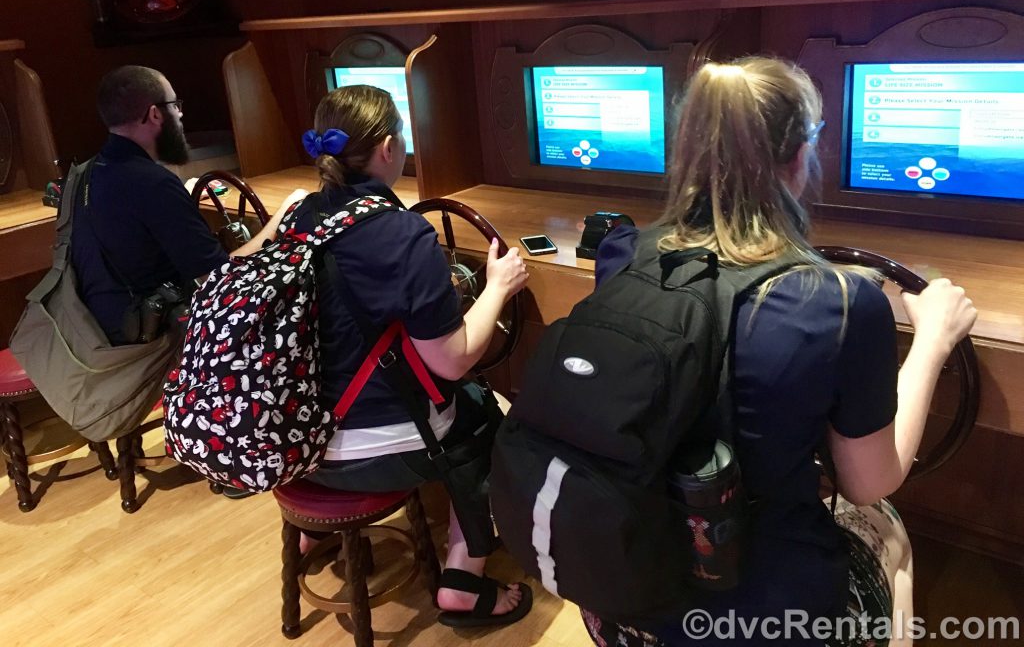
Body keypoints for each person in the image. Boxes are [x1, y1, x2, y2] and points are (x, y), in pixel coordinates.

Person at [582, 57, 976, 647]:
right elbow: (871, 481)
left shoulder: (620, 253)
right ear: (799, 156)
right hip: (761, 617)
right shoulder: (842, 302)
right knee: (887, 528)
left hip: (619, 593)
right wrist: (932, 342)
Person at [288, 84, 533, 627]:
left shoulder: (300, 214)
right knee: (491, 415)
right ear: (387, 149)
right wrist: (496, 287)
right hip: (368, 446)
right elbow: (452, 360)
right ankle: (463, 582)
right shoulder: (401, 234)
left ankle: (311, 529)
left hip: (293, 432)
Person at [72, 66, 304, 347]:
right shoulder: (155, 185)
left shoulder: (87, 172)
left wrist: (178, 198)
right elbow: (219, 279)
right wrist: (283, 215)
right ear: (155, 113)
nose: (180, 114)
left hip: (93, 332)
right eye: (174, 105)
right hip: (147, 346)